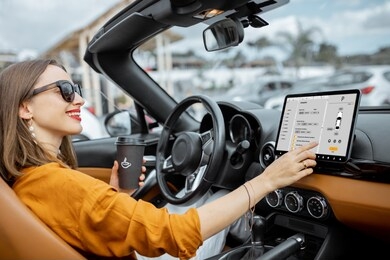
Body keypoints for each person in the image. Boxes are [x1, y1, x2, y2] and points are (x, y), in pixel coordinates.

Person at [0, 59, 318, 259]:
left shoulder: (36, 180)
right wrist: (267, 180)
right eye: (65, 90)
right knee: (222, 192)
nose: (80, 99)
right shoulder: (58, 182)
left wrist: (116, 197)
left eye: (78, 88)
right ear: (25, 107)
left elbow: (86, 226)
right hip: (154, 252)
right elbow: (176, 234)